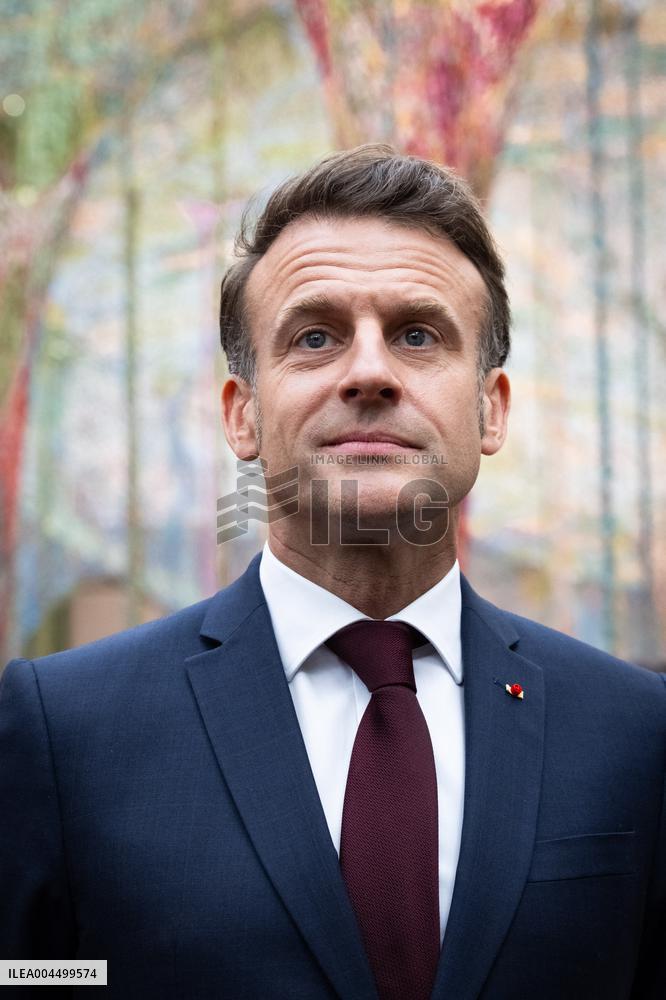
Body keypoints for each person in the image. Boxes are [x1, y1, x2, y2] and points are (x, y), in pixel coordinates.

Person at [1, 145, 664, 1000]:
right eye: (315, 336)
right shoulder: (66, 731)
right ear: (243, 416)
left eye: (418, 335)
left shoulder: (634, 732)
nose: (369, 372)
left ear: (489, 408)